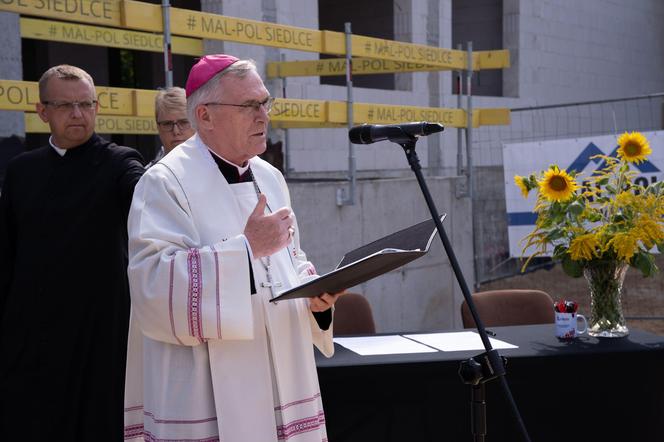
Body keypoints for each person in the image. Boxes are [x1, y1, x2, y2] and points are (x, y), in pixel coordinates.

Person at [124, 54, 342, 441]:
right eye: (249, 106)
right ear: (204, 116)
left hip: (283, 382)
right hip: (205, 394)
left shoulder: (270, 177)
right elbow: (152, 287)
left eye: (265, 103)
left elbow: (291, 261)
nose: (264, 116)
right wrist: (245, 250)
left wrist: (314, 297)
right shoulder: (165, 182)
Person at [0, 65, 145, 439]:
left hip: (100, 332)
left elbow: (148, 198)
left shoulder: (119, 162)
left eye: (86, 104)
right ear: (42, 111)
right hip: (33, 334)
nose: (78, 115)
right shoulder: (20, 171)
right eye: (66, 106)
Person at [148, 86, 195, 167]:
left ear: (196, 123)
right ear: (158, 127)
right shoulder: (149, 176)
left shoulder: (218, 168)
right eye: (167, 124)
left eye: (183, 122)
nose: (176, 131)